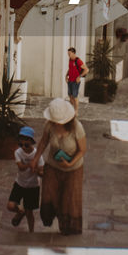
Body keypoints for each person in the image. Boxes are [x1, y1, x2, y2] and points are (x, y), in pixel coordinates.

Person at [32, 98, 87, 235]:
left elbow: (82, 150)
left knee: (69, 198)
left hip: (73, 168)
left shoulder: (76, 127)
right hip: (53, 165)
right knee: (49, 193)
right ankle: (51, 217)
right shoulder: (49, 126)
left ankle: (66, 226)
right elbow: (43, 142)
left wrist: (70, 163)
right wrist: (35, 159)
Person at [7, 125, 43, 231]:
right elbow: (21, 167)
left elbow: (42, 171)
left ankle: (31, 232)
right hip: (20, 183)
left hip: (33, 186)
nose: (23, 146)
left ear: (31, 141)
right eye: (21, 142)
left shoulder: (37, 155)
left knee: (29, 212)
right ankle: (19, 212)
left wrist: (36, 170)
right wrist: (30, 165)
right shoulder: (18, 152)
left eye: (26, 143)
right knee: (10, 206)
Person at [66, 47, 88, 115]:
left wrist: (79, 77)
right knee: (70, 95)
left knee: (75, 97)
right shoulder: (70, 60)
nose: (68, 55)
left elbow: (86, 70)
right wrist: (66, 75)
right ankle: (71, 110)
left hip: (75, 81)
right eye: (68, 53)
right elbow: (70, 68)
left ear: (73, 53)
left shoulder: (78, 61)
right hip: (70, 80)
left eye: (69, 53)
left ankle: (76, 111)